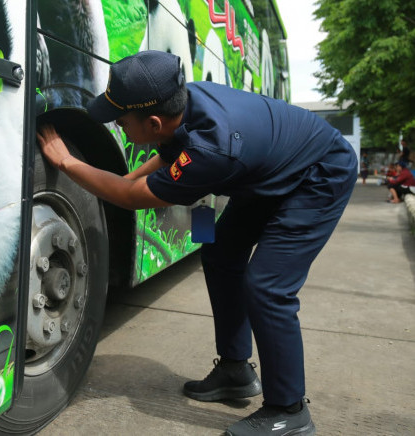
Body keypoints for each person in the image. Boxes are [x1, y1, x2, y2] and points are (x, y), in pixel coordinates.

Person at [37, 50, 357, 436]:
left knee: (268, 286)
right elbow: (164, 158)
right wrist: (122, 181)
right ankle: (236, 371)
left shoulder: (211, 152)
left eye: (121, 121)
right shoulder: (186, 103)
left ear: (153, 121)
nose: (118, 128)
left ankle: (289, 411)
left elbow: (131, 196)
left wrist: (68, 162)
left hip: (318, 175)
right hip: (273, 169)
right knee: (221, 255)